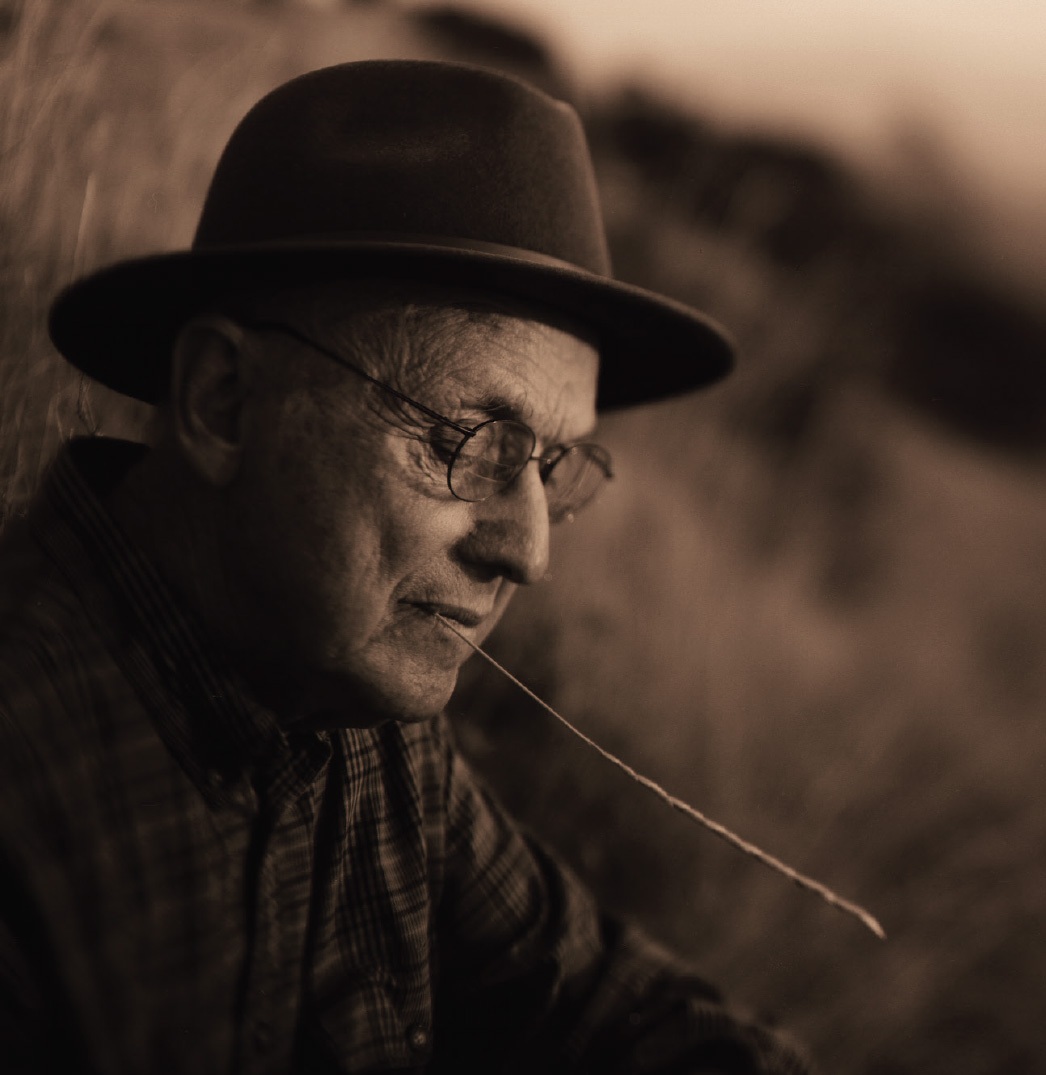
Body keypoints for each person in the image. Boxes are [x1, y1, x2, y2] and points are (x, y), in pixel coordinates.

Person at [0, 60, 811, 1073]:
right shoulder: (29, 791)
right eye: (467, 439)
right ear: (222, 400)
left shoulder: (367, 724)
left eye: (552, 465)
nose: (527, 550)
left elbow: (600, 996)